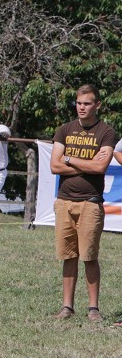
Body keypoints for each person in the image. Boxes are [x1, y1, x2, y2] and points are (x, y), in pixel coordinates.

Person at [49, 85, 117, 322]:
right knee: (68, 256)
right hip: (65, 201)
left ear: (97, 105)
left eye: (87, 103)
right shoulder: (65, 129)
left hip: (90, 202)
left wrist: (68, 158)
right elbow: (54, 166)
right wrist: (81, 162)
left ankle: (93, 309)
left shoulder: (106, 132)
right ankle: (67, 307)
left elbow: (100, 167)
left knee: (89, 256)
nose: (81, 107)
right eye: (78, 103)